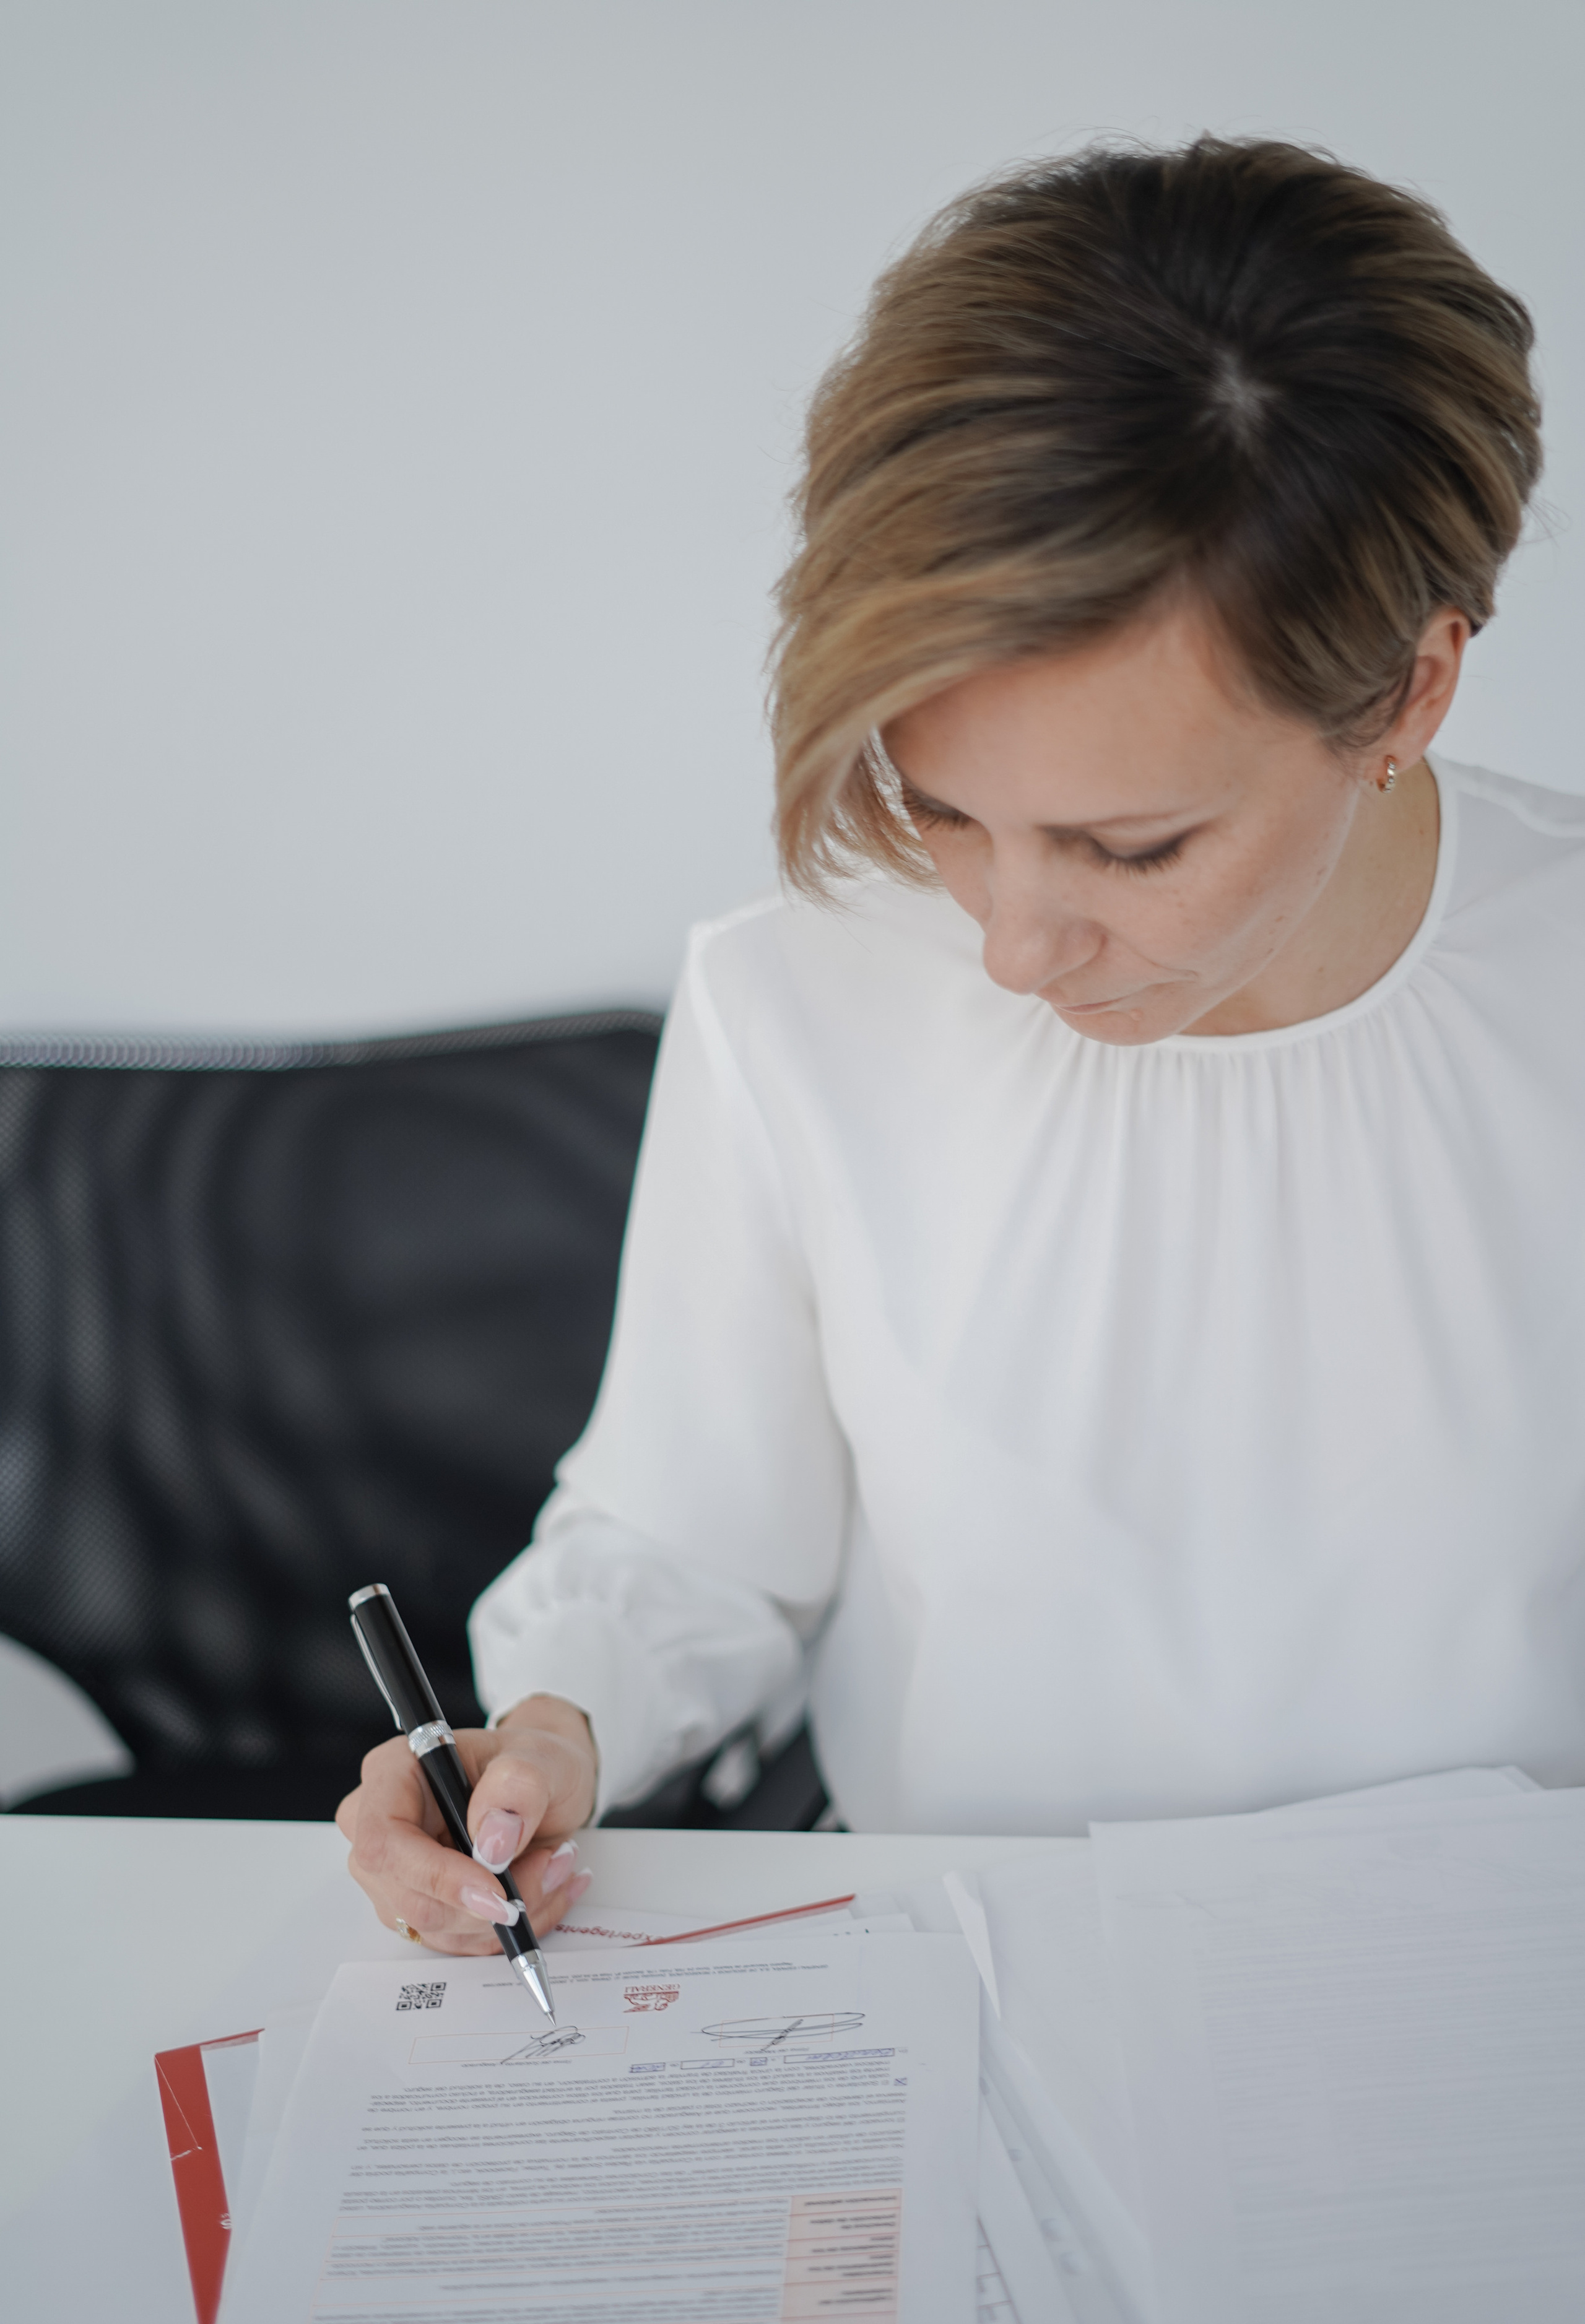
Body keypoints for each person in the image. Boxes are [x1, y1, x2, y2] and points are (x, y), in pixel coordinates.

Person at [339, 133, 1581, 1959]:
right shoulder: (798, 995)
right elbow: (693, 1543)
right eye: (942, 812)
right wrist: (550, 1728)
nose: (1009, 947)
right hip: (961, 1970)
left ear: (1411, 688)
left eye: (1133, 846)